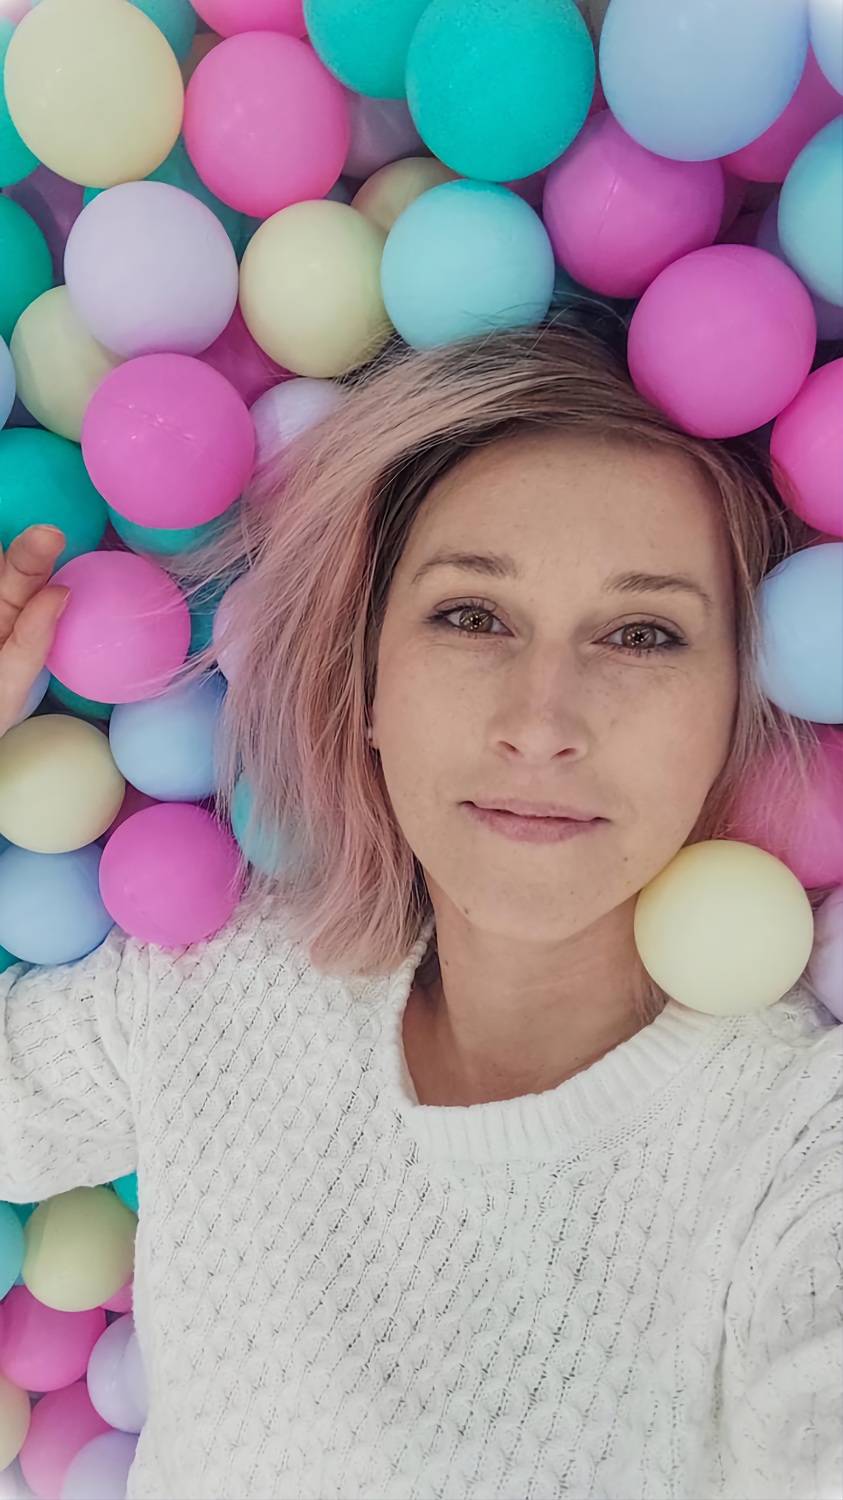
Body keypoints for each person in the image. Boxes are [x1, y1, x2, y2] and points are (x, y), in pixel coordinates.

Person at [1, 315, 840, 1500]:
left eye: (643, 634)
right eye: (472, 616)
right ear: (371, 686)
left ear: (736, 706)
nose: (542, 722)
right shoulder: (214, 989)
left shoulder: (797, 1149)